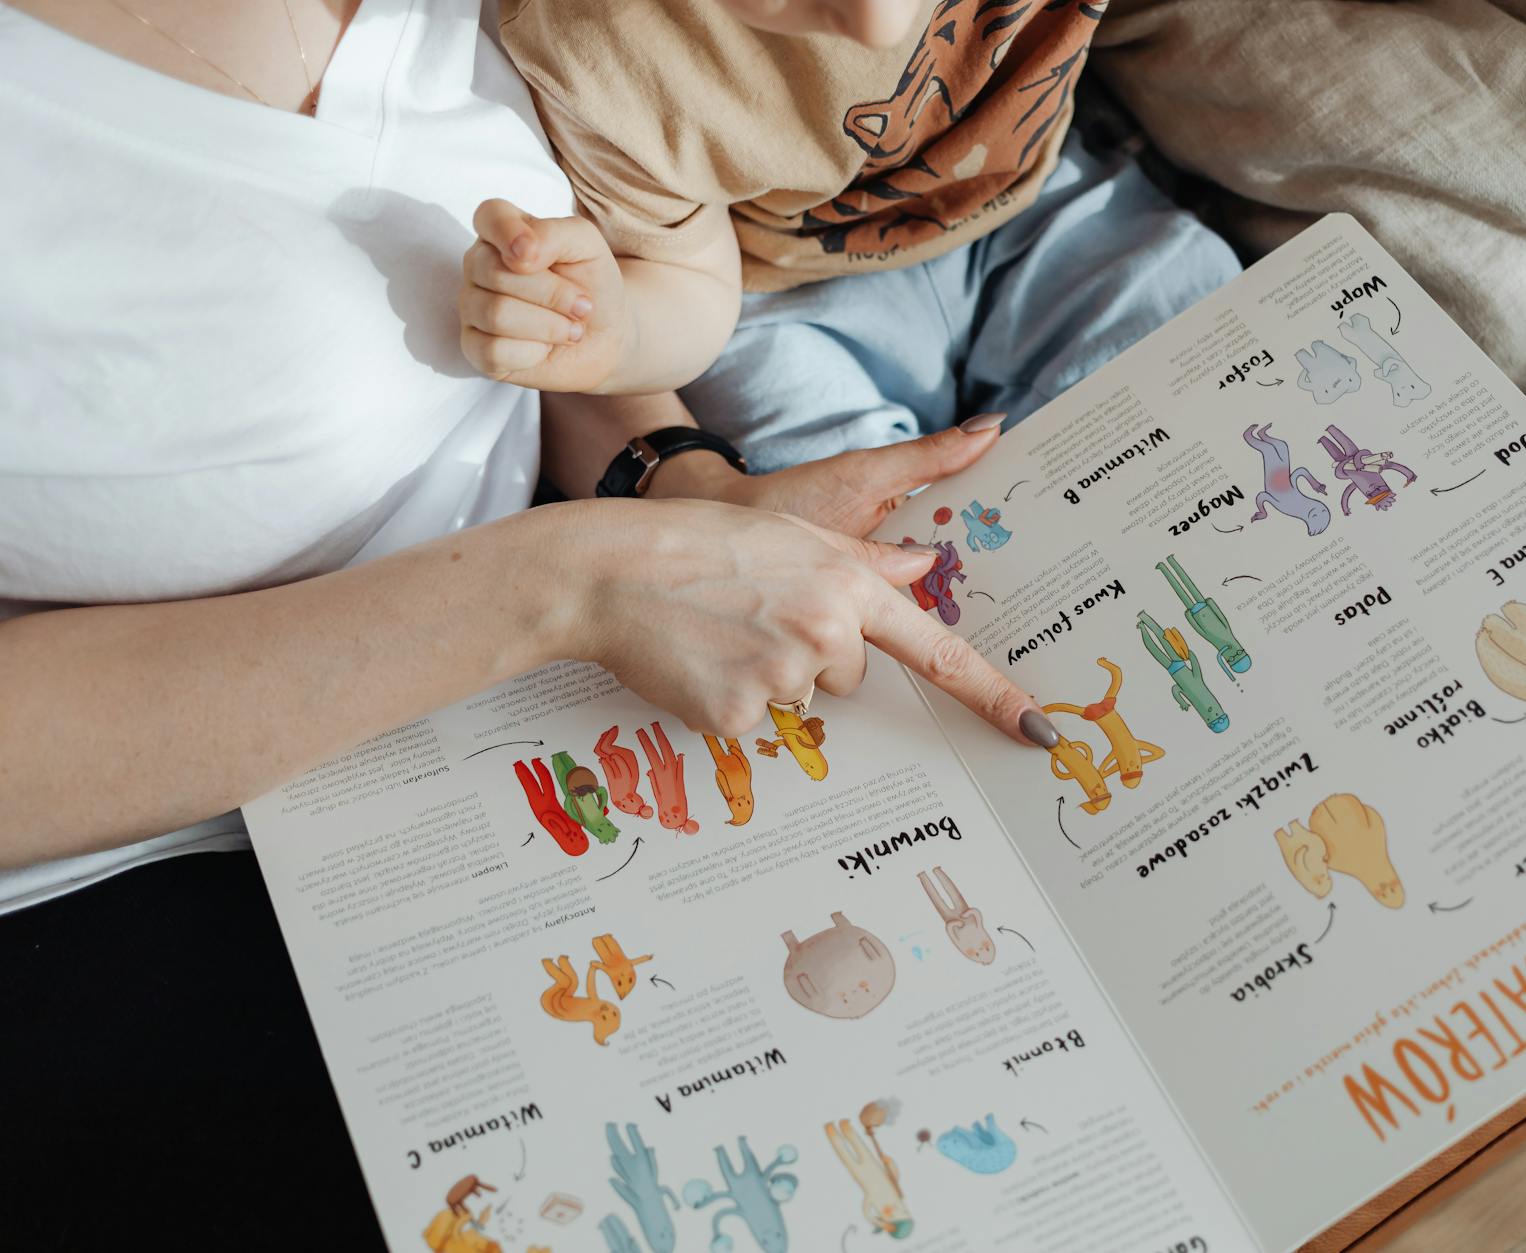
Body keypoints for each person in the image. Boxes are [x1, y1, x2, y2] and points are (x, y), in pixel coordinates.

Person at [0, 0, 1051, 1240]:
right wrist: (570, 581)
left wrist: (676, 478)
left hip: (528, 733)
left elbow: (532, 318)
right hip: (164, 874)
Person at [453, 0, 1241, 480]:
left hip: (1032, 202)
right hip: (774, 297)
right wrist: (621, 334)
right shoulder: (600, 46)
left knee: (1203, 355)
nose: (879, 21)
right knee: (845, 538)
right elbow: (684, 274)